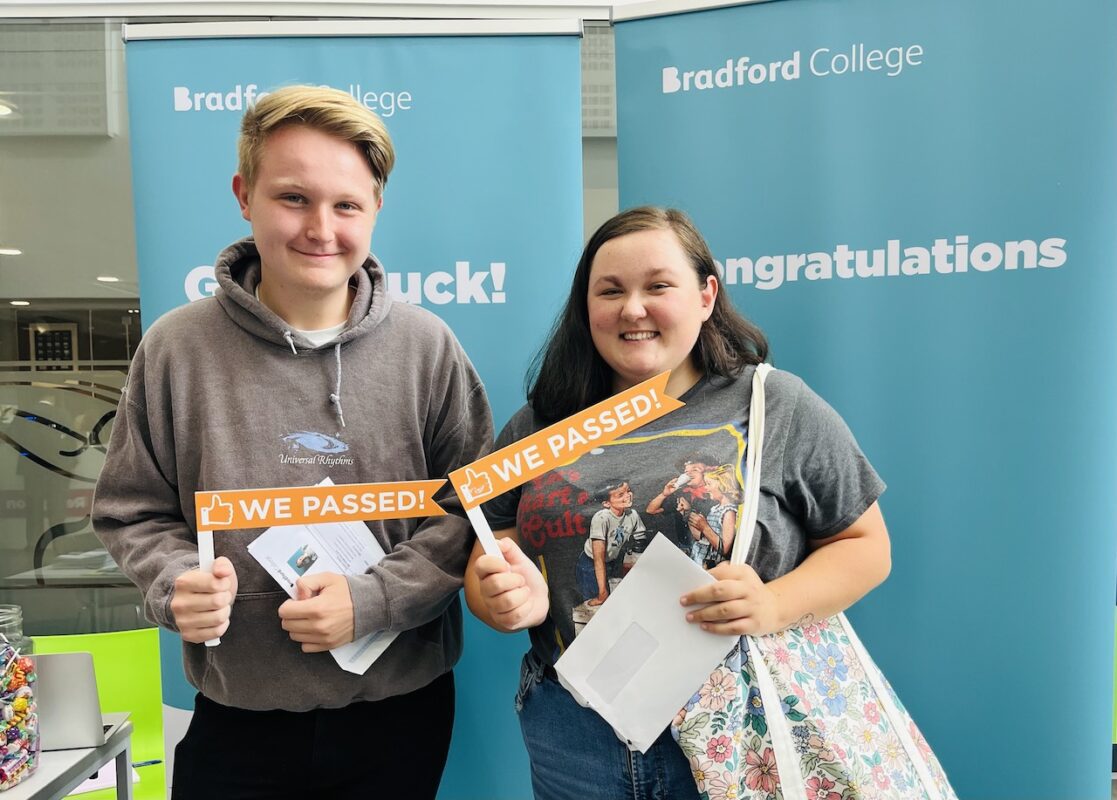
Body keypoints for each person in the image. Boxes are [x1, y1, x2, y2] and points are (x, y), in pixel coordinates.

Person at [93, 85, 492, 800]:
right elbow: (132, 510)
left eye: (346, 205)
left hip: (398, 712)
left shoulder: (428, 348)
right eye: (292, 198)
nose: (320, 228)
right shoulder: (176, 350)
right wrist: (172, 581)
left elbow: (473, 511)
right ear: (244, 196)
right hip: (237, 713)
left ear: (374, 210)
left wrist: (373, 601)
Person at [464, 206, 890, 800]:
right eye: (609, 291)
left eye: (658, 286)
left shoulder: (775, 404)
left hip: (741, 719)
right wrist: (496, 596)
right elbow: (495, 546)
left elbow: (865, 546)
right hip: (573, 731)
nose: (632, 309)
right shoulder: (539, 427)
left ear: (706, 294)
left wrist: (770, 603)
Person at [577, 479, 646, 606]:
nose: (628, 495)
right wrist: (602, 593)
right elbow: (598, 559)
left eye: (628, 491)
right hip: (591, 565)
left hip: (613, 561)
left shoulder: (633, 514)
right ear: (606, 503)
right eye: (620, 495)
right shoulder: (601, 518)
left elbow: (640, 540)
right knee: (597, 603)